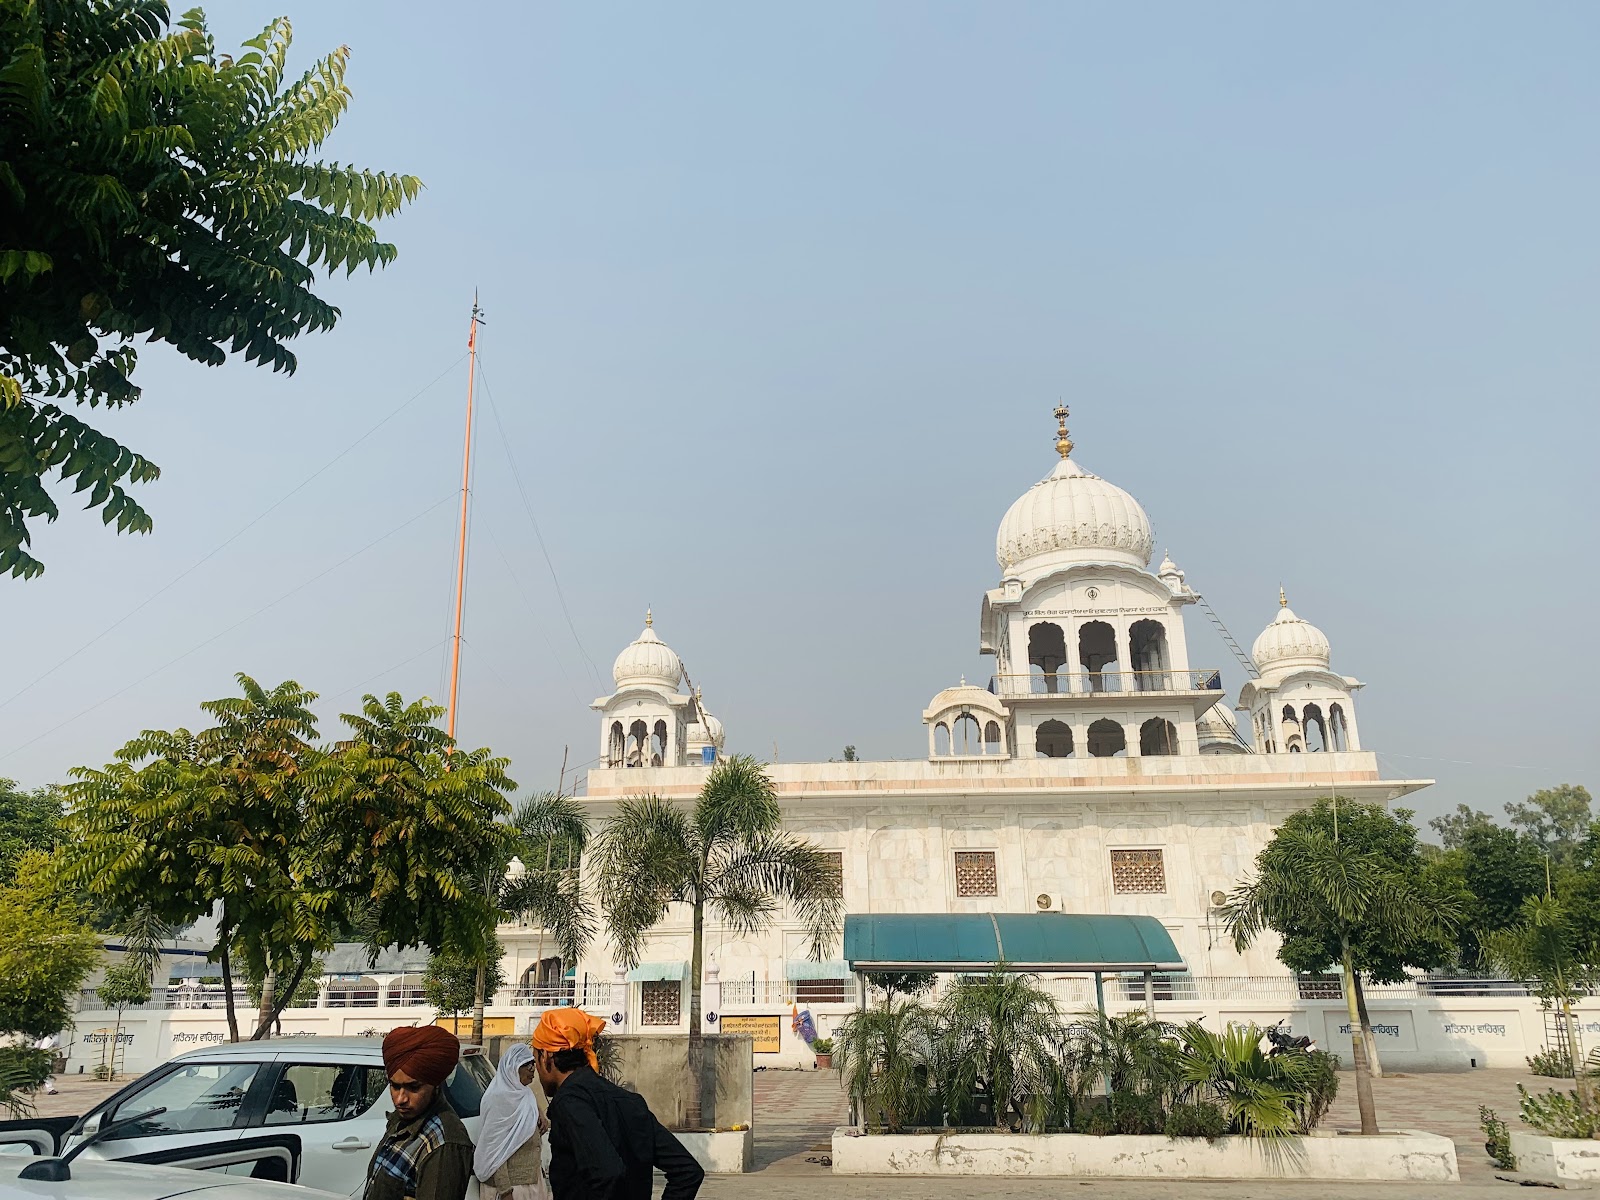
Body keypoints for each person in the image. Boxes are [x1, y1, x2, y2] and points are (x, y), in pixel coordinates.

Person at [532, 1009, 703, 1200]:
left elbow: (608, 1173)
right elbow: (688, 1172)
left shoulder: (569, 1102)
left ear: (546, 1056)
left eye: (535, 1060)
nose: (537, 1070)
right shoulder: (630, 1101)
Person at [364, 1026, 475, 1200]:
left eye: (413, 1087)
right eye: (394, 1086)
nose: (400, 1099)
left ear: (435, 1084)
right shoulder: (400, 1120)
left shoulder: (444, 1144)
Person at [474, 1043, 547, 1200]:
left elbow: (529, 1111)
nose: (532, 1068)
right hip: (512, 1189)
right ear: (511, 1067)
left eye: (533, 1063)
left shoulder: (525, 1094)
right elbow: (495, 1150)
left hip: (532, 1183)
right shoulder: (498, 1099)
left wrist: (539, 1114)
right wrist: (506, 1191)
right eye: (526, 1064)